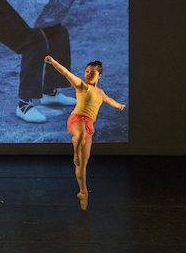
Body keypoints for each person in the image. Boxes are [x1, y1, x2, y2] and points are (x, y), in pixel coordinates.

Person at [44, 55, 125, 210]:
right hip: (76, 120)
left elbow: (109, 100)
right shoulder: (82, 86)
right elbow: (67, 73)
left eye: (92, 72)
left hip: (88, 125)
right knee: (79, 136)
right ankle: (75, 153)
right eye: (87, 71)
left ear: (99, 76)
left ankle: (83, 192)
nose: (88, 74)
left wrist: (119, 106)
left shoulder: (100, 93)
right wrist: (53, 62)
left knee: (83, 165)